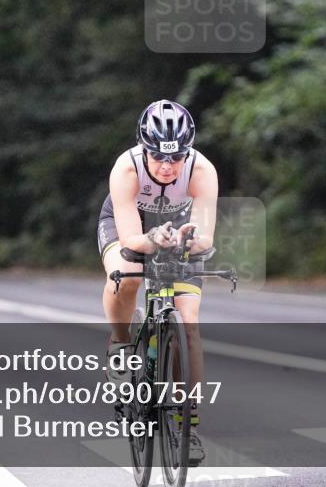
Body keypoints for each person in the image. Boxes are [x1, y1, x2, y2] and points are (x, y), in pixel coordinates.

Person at [97, 99, 218, 466]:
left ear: (187, 152)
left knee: (190, 323)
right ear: (143, 148)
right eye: (158, 157)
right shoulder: (127, 169)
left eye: (176, 158)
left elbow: (206, 239)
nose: (167, 167)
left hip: (178, 230)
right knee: (128, 274)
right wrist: (152, 241)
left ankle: (187, 423)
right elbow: (132, 239)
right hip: (129, 226)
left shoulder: (202, 170)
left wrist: (186, 239)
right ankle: (120, 345)